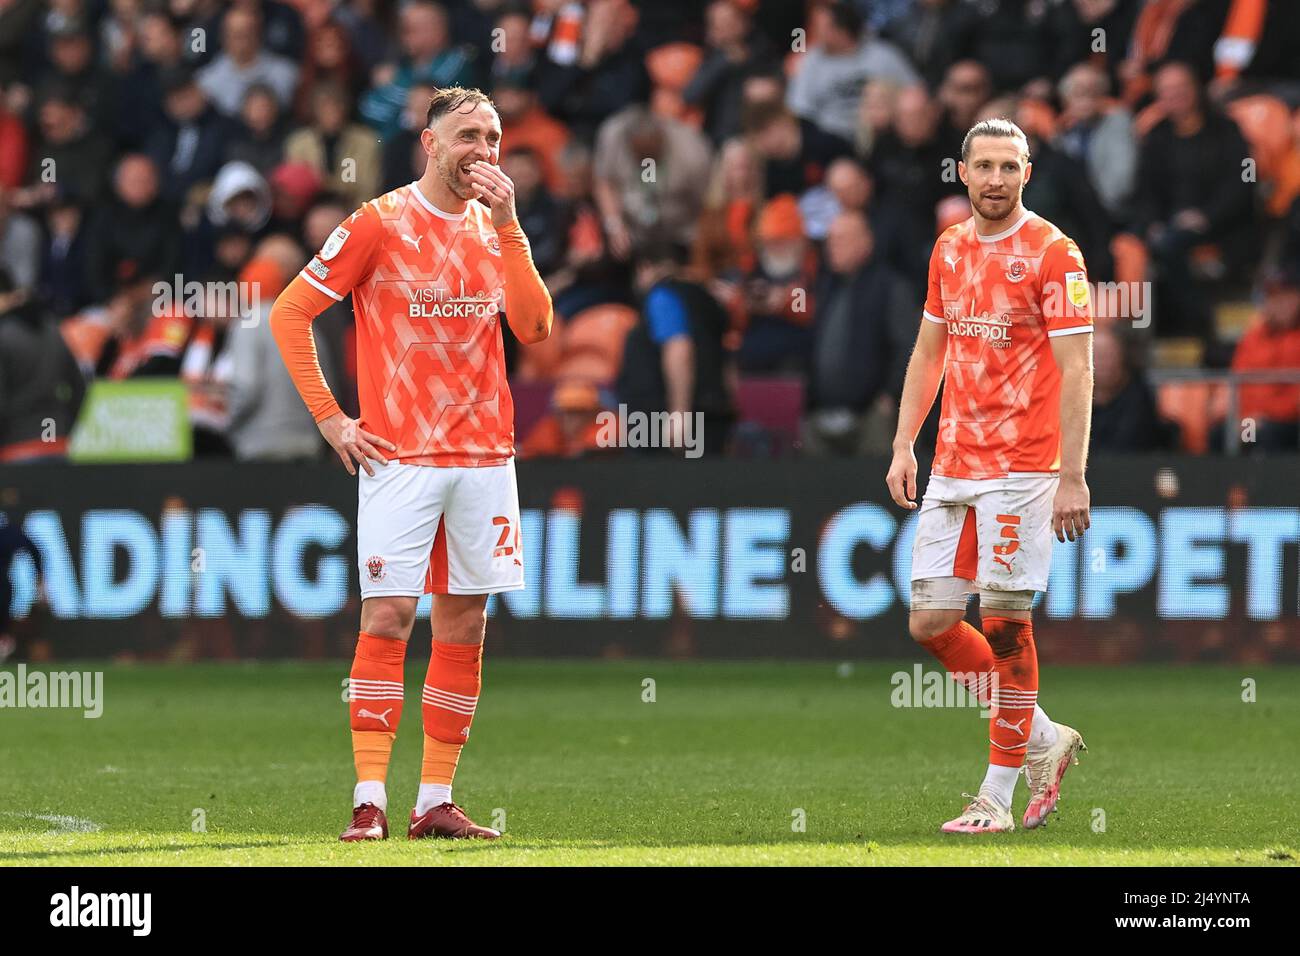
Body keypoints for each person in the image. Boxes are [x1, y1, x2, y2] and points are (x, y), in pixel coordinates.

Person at [270, 86, 553, 843]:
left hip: (486, 455)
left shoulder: (498, 231)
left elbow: (534, 327)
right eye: (468, 135)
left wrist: (512, 228)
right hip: (401, 455)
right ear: (430, 143)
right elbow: (289, 313)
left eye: (493, 137)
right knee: (389, 616)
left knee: (464, 623)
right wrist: (332, 420)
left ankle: (434, 800)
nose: (483, 151)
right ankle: (369, 801)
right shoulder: (378, 222)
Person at [885, 118, 1092, 834]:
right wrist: (903, 443)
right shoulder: (948, 247)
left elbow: (1078, 368)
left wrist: (1073, 474)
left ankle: (994, 798)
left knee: (1006, 627)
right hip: (954, 463)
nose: (997, 179)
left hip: (1026, 468)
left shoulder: (1054, 253)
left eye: (1010, 166)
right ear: (963, 173)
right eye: (985, 167)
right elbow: (927, 354)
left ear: (1027, 173)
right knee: (932, 621)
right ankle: (1043, 737)